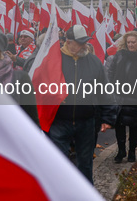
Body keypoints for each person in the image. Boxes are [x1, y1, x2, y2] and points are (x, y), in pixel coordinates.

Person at [47, 25, 117, 183]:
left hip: (86, 122)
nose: (84, 46)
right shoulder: (53, 59)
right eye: (80, 43)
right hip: (58, 121)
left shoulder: (93, 61)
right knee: (59, 163)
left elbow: (104, 89)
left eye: (85, 42)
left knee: (85, 163)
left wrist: (108, 117)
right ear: (67, 42)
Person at [107, 31, 137, 163]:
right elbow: (110, 74)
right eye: (128, 42)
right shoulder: (119, 56)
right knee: (119, 125)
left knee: (134, 127)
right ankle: (121, 150)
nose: (131, 44)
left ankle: (132, 151)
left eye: (133, 42)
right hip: (119, 96)